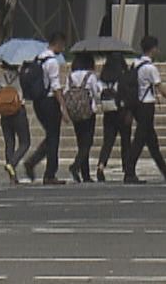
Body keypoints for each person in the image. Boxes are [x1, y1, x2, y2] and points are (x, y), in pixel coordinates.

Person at [123, 35, 166, 184]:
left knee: (151, 140)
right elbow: (160, 88)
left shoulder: (135, 64)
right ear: (153, 49)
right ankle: (129, 171)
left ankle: (165, 170)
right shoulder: (150, 68)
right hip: (146, 105)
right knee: (140, 140)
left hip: (137, 104)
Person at [21, 32, 68, 185]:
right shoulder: (52, 62)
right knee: (54, 138)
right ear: (58, 43)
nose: (63, 48)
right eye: (63, 44)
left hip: (38, 102)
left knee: (50, 136)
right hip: (49, 102)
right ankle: (49, 173)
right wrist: (63, 107)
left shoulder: (38, 59)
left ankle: (33, 161)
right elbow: (55, 87)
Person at [0, 59, 30, 184]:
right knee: (25, 142)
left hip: (4, 113)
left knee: (9, 143)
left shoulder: (1, 79)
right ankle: (12, 163)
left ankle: (12, 176)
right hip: (18, 111)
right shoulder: (21, 77)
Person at [95, 47, 134, 178]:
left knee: (108, 141)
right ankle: (126, 167)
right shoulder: (123, 76)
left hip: (108, 112)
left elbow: (98, 92)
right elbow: (128, 94)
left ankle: (101, 165)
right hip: (122, 110)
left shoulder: (103, 77)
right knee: (125, 141)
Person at [65, 50, 101, 183]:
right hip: (88, 111)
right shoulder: (90, 76)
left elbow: (65, 92)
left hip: (74, 112)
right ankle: (76, 166)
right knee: (88, 142)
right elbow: (96, 94)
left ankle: (85, 174)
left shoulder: (70, 77)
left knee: (81, 142)